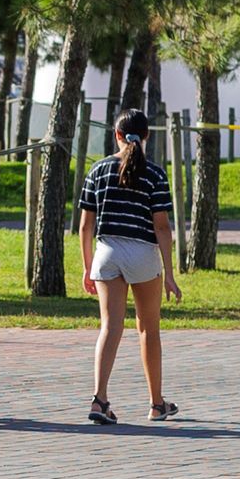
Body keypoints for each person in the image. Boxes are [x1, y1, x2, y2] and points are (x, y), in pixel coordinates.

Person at [78, 108, 183, 424]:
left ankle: (99, 400)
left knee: (109, 327)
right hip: (142, 254)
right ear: (147, 136)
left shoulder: (98, 170)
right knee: (148, 329)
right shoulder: (155, 174)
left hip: (107, 251)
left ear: (116, 135)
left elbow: (85, 225)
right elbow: (162, 227)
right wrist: (170, 274)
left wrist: (86, 267)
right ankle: (156, 403)